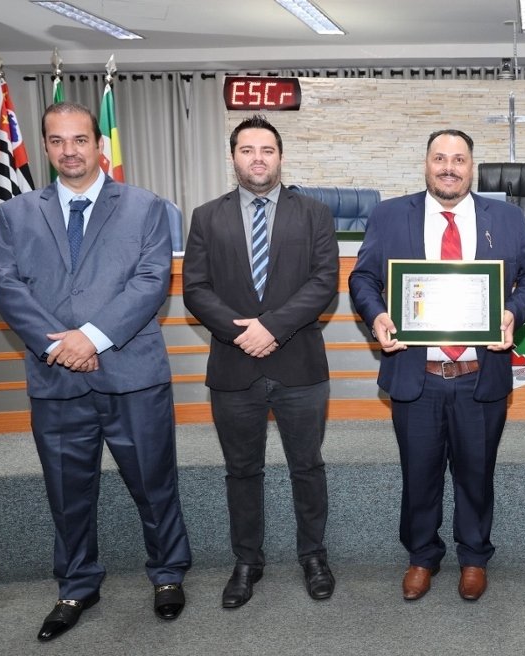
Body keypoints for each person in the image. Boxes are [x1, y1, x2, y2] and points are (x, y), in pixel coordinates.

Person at [0, 102, 192, 641]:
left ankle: (168, 574)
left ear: (99, 144)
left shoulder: (146, 207)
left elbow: (151, 280)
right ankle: (77, 584)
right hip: (56, 377)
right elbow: (7, 286)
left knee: (154, 483)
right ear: (47, 147)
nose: (69, 150)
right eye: (57, 141)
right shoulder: (15, 214)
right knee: (66, 490)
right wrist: (61, 346)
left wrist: (91, 337)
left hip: (132, 374)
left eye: (80, 139)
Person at [348, 129, 525, 602]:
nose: (449, 168)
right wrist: (377, 315)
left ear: (472, 167)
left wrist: (511, 313)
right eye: (440, 158)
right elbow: (363, 277)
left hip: (480, 377)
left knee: (476, 474)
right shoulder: (390, 215)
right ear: (426, 163)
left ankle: (474, 557)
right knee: (419, 473)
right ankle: (422, 556)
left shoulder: (503, 216)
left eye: (459, 160)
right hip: (417, 378)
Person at [182, 115, 339, 609]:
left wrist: (270, 326)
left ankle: (313, 555)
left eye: (266, 149)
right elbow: (195, 289)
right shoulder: (207, 216)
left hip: (299, 366)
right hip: (234, 366)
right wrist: (242, 332)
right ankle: (247, 561)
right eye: (247, 150)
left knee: (307, 467)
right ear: (233, 158)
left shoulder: (314, 212)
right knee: (241, 470)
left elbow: (323, 282)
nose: (257, 158)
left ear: (280, 156)